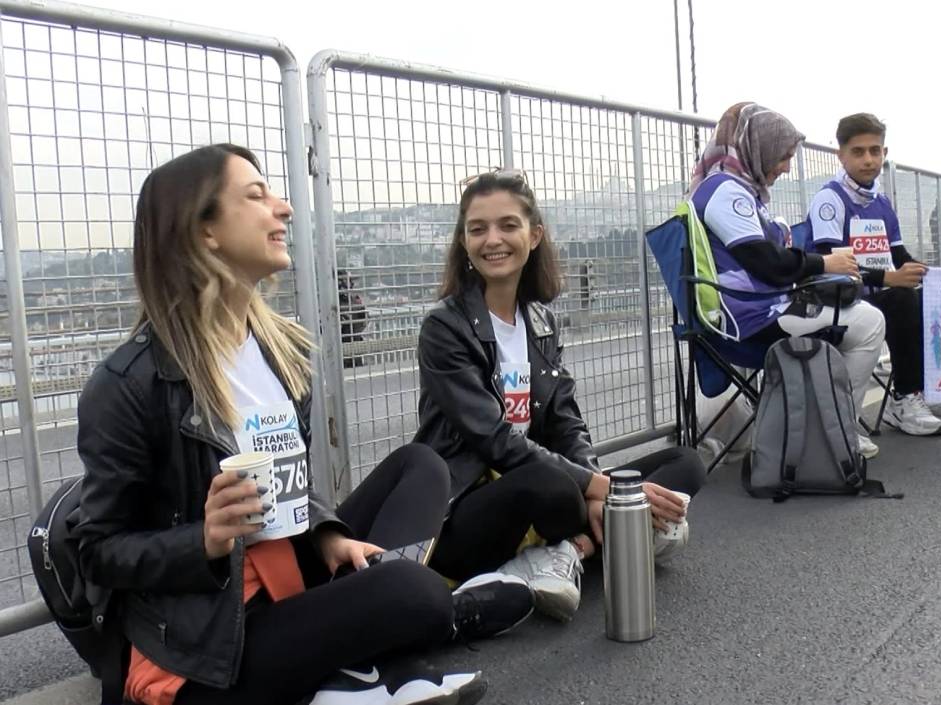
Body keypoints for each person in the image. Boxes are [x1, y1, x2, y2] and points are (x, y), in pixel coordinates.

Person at [71, 144, 535, 705]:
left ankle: (363, 659)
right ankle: (402, 646)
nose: (283, 208)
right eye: (256, 196)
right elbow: (96, 550)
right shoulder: (130, 381)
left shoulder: (279, 351)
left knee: (420, 465)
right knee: (414, 592)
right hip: (210, 641)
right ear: (205, 232)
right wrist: (204, 540)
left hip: (288, 581)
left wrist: (329, 536)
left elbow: (291, 488)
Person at [414, 169, 704, 622]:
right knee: (554, 486)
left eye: (508, 225)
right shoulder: (444, 327)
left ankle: (569, 549)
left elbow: (566, 421)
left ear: (534, 235)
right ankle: (614, 537)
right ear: (464, 242)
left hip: (541, 488)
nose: (493, 239)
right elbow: (494, 440)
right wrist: (601, 489)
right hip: (470, 508)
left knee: (686, 462)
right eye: (478, 228)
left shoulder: (541, 321)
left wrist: (594, 486)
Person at [687, 102, 886, 458]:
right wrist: (825, 262)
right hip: (752, 319)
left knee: (856, 312)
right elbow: (767, 263)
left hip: (752, 310)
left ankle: (818, 423)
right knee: (870, 322)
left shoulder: (730, 187)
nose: (786, 166)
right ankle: (834, 431)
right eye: (782, 156)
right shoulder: (726, 192)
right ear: (756, 148)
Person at [803, 113, 941, 436]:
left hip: (874, 294)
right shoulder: (830, 199)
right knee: (901, 298)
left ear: (885, 152)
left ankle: (931, 391)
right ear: (840, 155)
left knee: (932, 299)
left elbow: (901, 259)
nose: (868, 160)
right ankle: (904, 400)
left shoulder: (881, 202)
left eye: (875, 150)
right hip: (837, 297)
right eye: (858, 152)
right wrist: (886, 279)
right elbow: (830, 262)